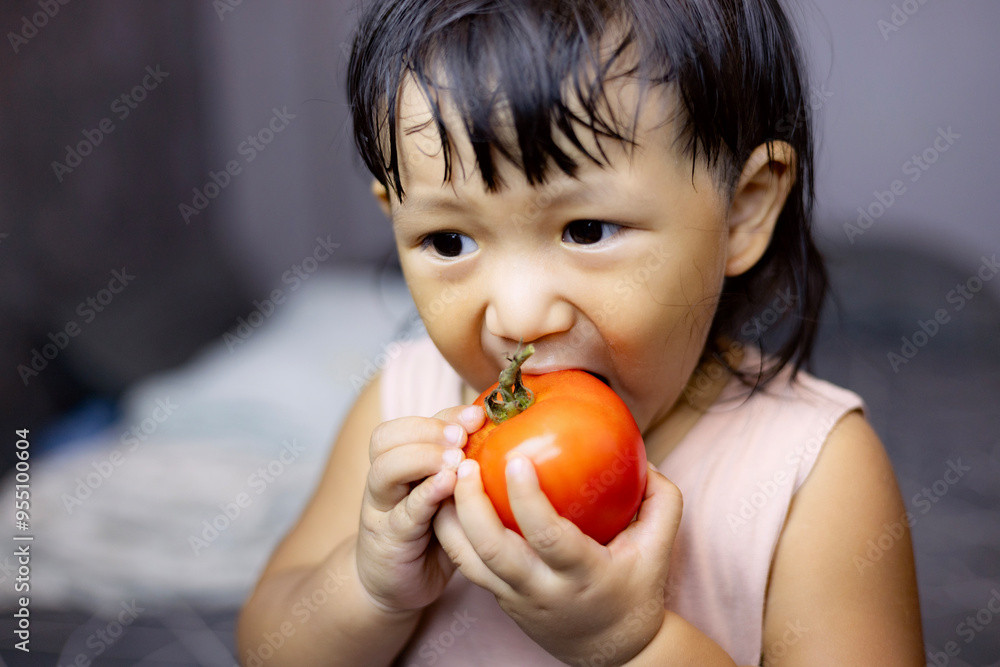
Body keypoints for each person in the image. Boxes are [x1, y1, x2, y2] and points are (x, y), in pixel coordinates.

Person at [237, 0, 924, 664]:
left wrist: (632, 643)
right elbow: (265, 646)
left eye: (587, 230)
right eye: (448, 239)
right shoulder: (405, 409)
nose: (518, 316)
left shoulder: (813, 473)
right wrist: (368, 587)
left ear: (742, 210)